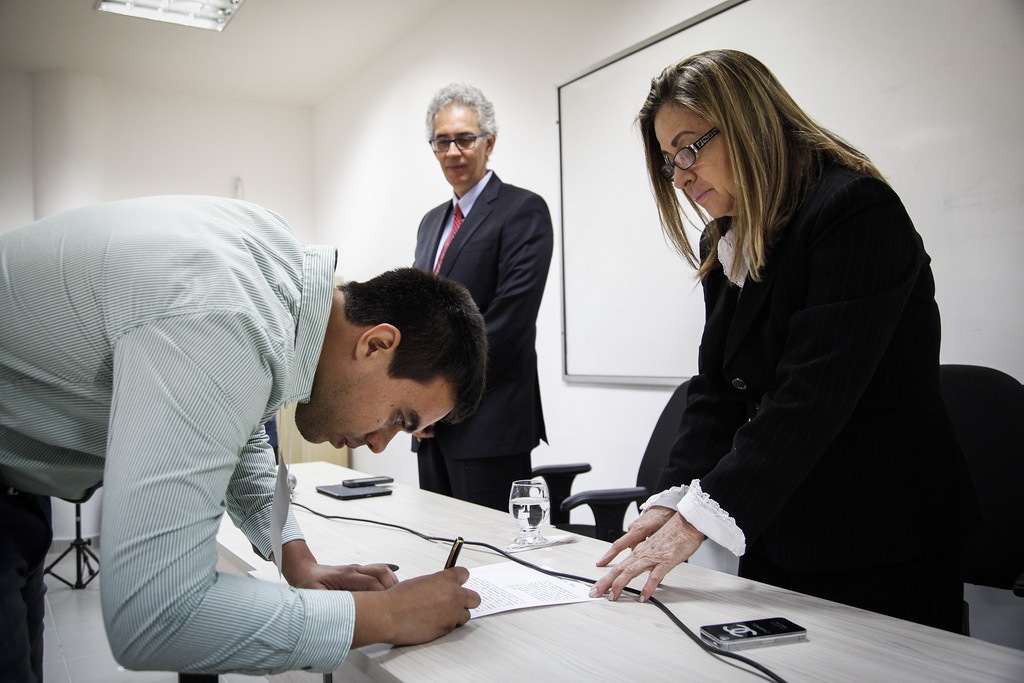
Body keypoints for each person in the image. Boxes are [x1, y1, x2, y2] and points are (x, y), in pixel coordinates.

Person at [0, 195, 487, 682]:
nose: (381, 445)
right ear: (377, 344)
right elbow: (154, 615)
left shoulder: (271, 278)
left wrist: (299, 562)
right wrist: (387, 617)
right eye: (399, 418)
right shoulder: (226, 315)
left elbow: (244, 434)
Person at [589, 50, 979, 633]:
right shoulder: (724, 244)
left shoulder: (854, 211)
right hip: (785, 528)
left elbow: (811, 396)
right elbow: (717, 392)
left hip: (882, 535)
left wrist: (698, 519)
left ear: (750, 124)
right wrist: (669, 499)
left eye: (691, 147)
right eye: (670, 160)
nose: (682, 173)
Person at [412, 83, 554, 511]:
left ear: (489, 142)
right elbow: (419, 318)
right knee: (437, 551)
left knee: (489, 565)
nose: (453, 151)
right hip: (432, 427)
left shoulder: (522, 211)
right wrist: (414, 401)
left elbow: (509, 324)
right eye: (442, 141)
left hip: (488, 424)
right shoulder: (430, 223)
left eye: (465, 138)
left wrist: (437, 395)